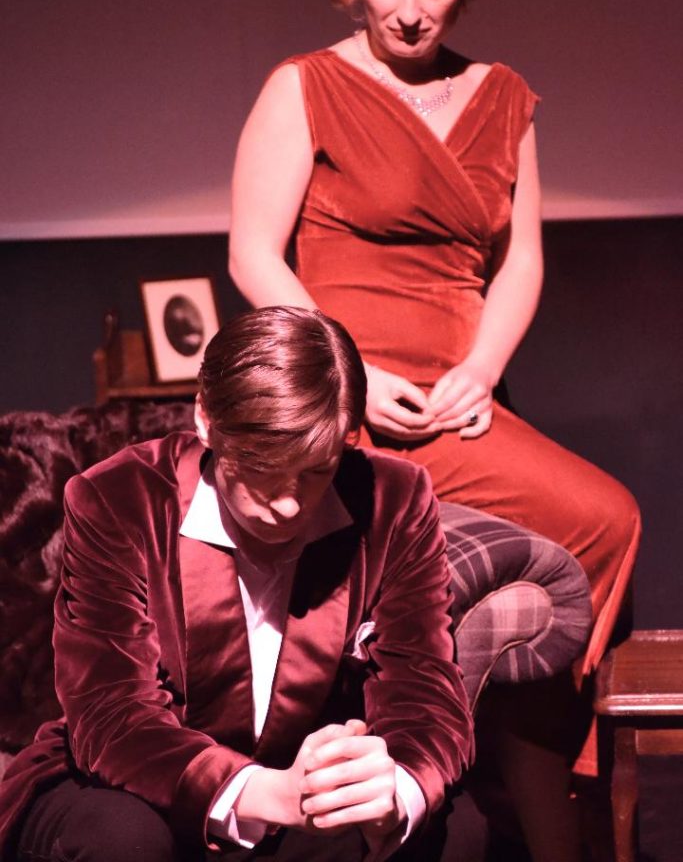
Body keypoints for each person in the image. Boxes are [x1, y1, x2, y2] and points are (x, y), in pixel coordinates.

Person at [227, 0, 641, 861]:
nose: (408, 11)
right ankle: (503, 787)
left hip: (456, 396)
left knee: (603, 519)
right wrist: (350, 369)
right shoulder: (303, 85)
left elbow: (520, 261)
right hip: (346, 390)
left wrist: (482, 368)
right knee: (567, 526)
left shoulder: (503, 97)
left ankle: (541, 769)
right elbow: (251, 254)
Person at [0, 306, 472, 862]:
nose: (290, 504)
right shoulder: (119, 498)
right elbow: (110, 710)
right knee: (124, 838)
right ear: (205, 419)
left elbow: (423, 686)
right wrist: (264, 793)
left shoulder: (394, 500)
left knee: (446, 830)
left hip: (298, 781)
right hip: (132, 778)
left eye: (316, 471)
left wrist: (393, 789)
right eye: (263, 468)